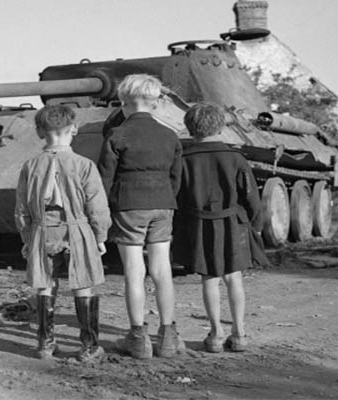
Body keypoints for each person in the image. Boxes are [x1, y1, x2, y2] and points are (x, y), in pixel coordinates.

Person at [14, 105, 111, 362]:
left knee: (45, 284)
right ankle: (89, 347)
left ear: (38, 132)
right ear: (75, 129)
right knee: (83, 283)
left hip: (42, 231)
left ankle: (45, 344)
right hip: (77, 230)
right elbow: (97, 206)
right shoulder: (84, 165)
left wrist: (26, 238)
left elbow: (22, 209)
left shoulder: (30, 165)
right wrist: (100, 236)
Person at [98, 74, 185, 359]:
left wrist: (105, 210)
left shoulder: (117, 135)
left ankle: (138, 338)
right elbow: (176, 177)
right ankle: (169, 336)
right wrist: (166, 199)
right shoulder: (170, 135)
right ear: (156, 103)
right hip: (163, 204)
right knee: (162, 270)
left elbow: (105, 178)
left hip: (128, 205)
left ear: (123, 104)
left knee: (135, 272)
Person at [172, 102, 264, 353]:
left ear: (189, 128)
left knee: (209, 280)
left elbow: (177, 196)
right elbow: (251, 196)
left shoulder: (184, 159)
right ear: (221, 126)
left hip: (199, 224)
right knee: (234, 279)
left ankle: (215, 334)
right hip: (232, 224)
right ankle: (240, 333)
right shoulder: (236, 158)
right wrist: (256, 225)